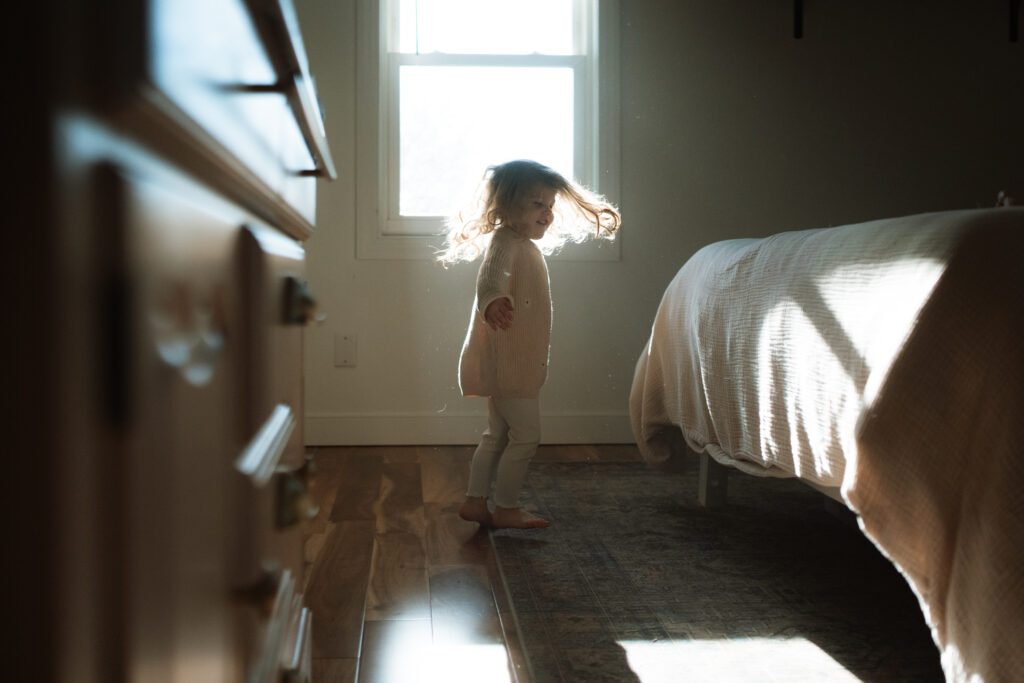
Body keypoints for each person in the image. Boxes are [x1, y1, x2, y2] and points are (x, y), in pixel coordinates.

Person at [437, 160, 621, 528]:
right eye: (537, 204)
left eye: (550, 205)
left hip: (507, 362)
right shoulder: (506, 242)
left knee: (497, 434)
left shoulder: (519, 244)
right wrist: (493, 300)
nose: (547, 213)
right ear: (507, 206)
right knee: (527, 438)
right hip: (512, 365)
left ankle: (476, 501)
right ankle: (505, 508)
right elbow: (491, 276)